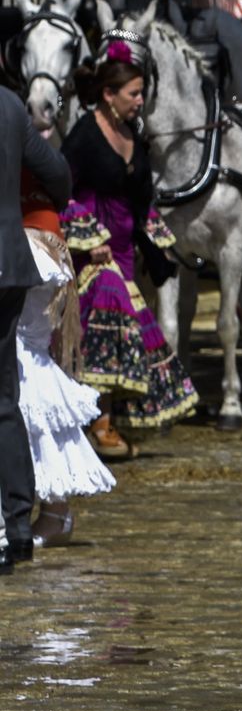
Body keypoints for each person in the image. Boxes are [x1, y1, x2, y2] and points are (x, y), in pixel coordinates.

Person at [62, 48, 199, 452]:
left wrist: (158, 245)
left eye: (142, 93)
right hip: (90, 250)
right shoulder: (85, 134)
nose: (141, 101)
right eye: (134, 93)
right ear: (109, 93)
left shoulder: (133, 135)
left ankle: (105, 419)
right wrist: (90, 238)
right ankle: (99, 423)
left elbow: (140, 200)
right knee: (108, 305)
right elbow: (58, 189)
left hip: (123, 246)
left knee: (131, 331)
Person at [17, 168, 116, 548]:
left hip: (32, 239)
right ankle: (45, 511)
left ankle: (55, 513)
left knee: (26, 366)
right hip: (28, 237)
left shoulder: (27, 142)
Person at [1, 86, 70, 575]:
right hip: (7, 265)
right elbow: (59, 178)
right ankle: (18, 522)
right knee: (3, 396)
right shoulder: (7, 103)